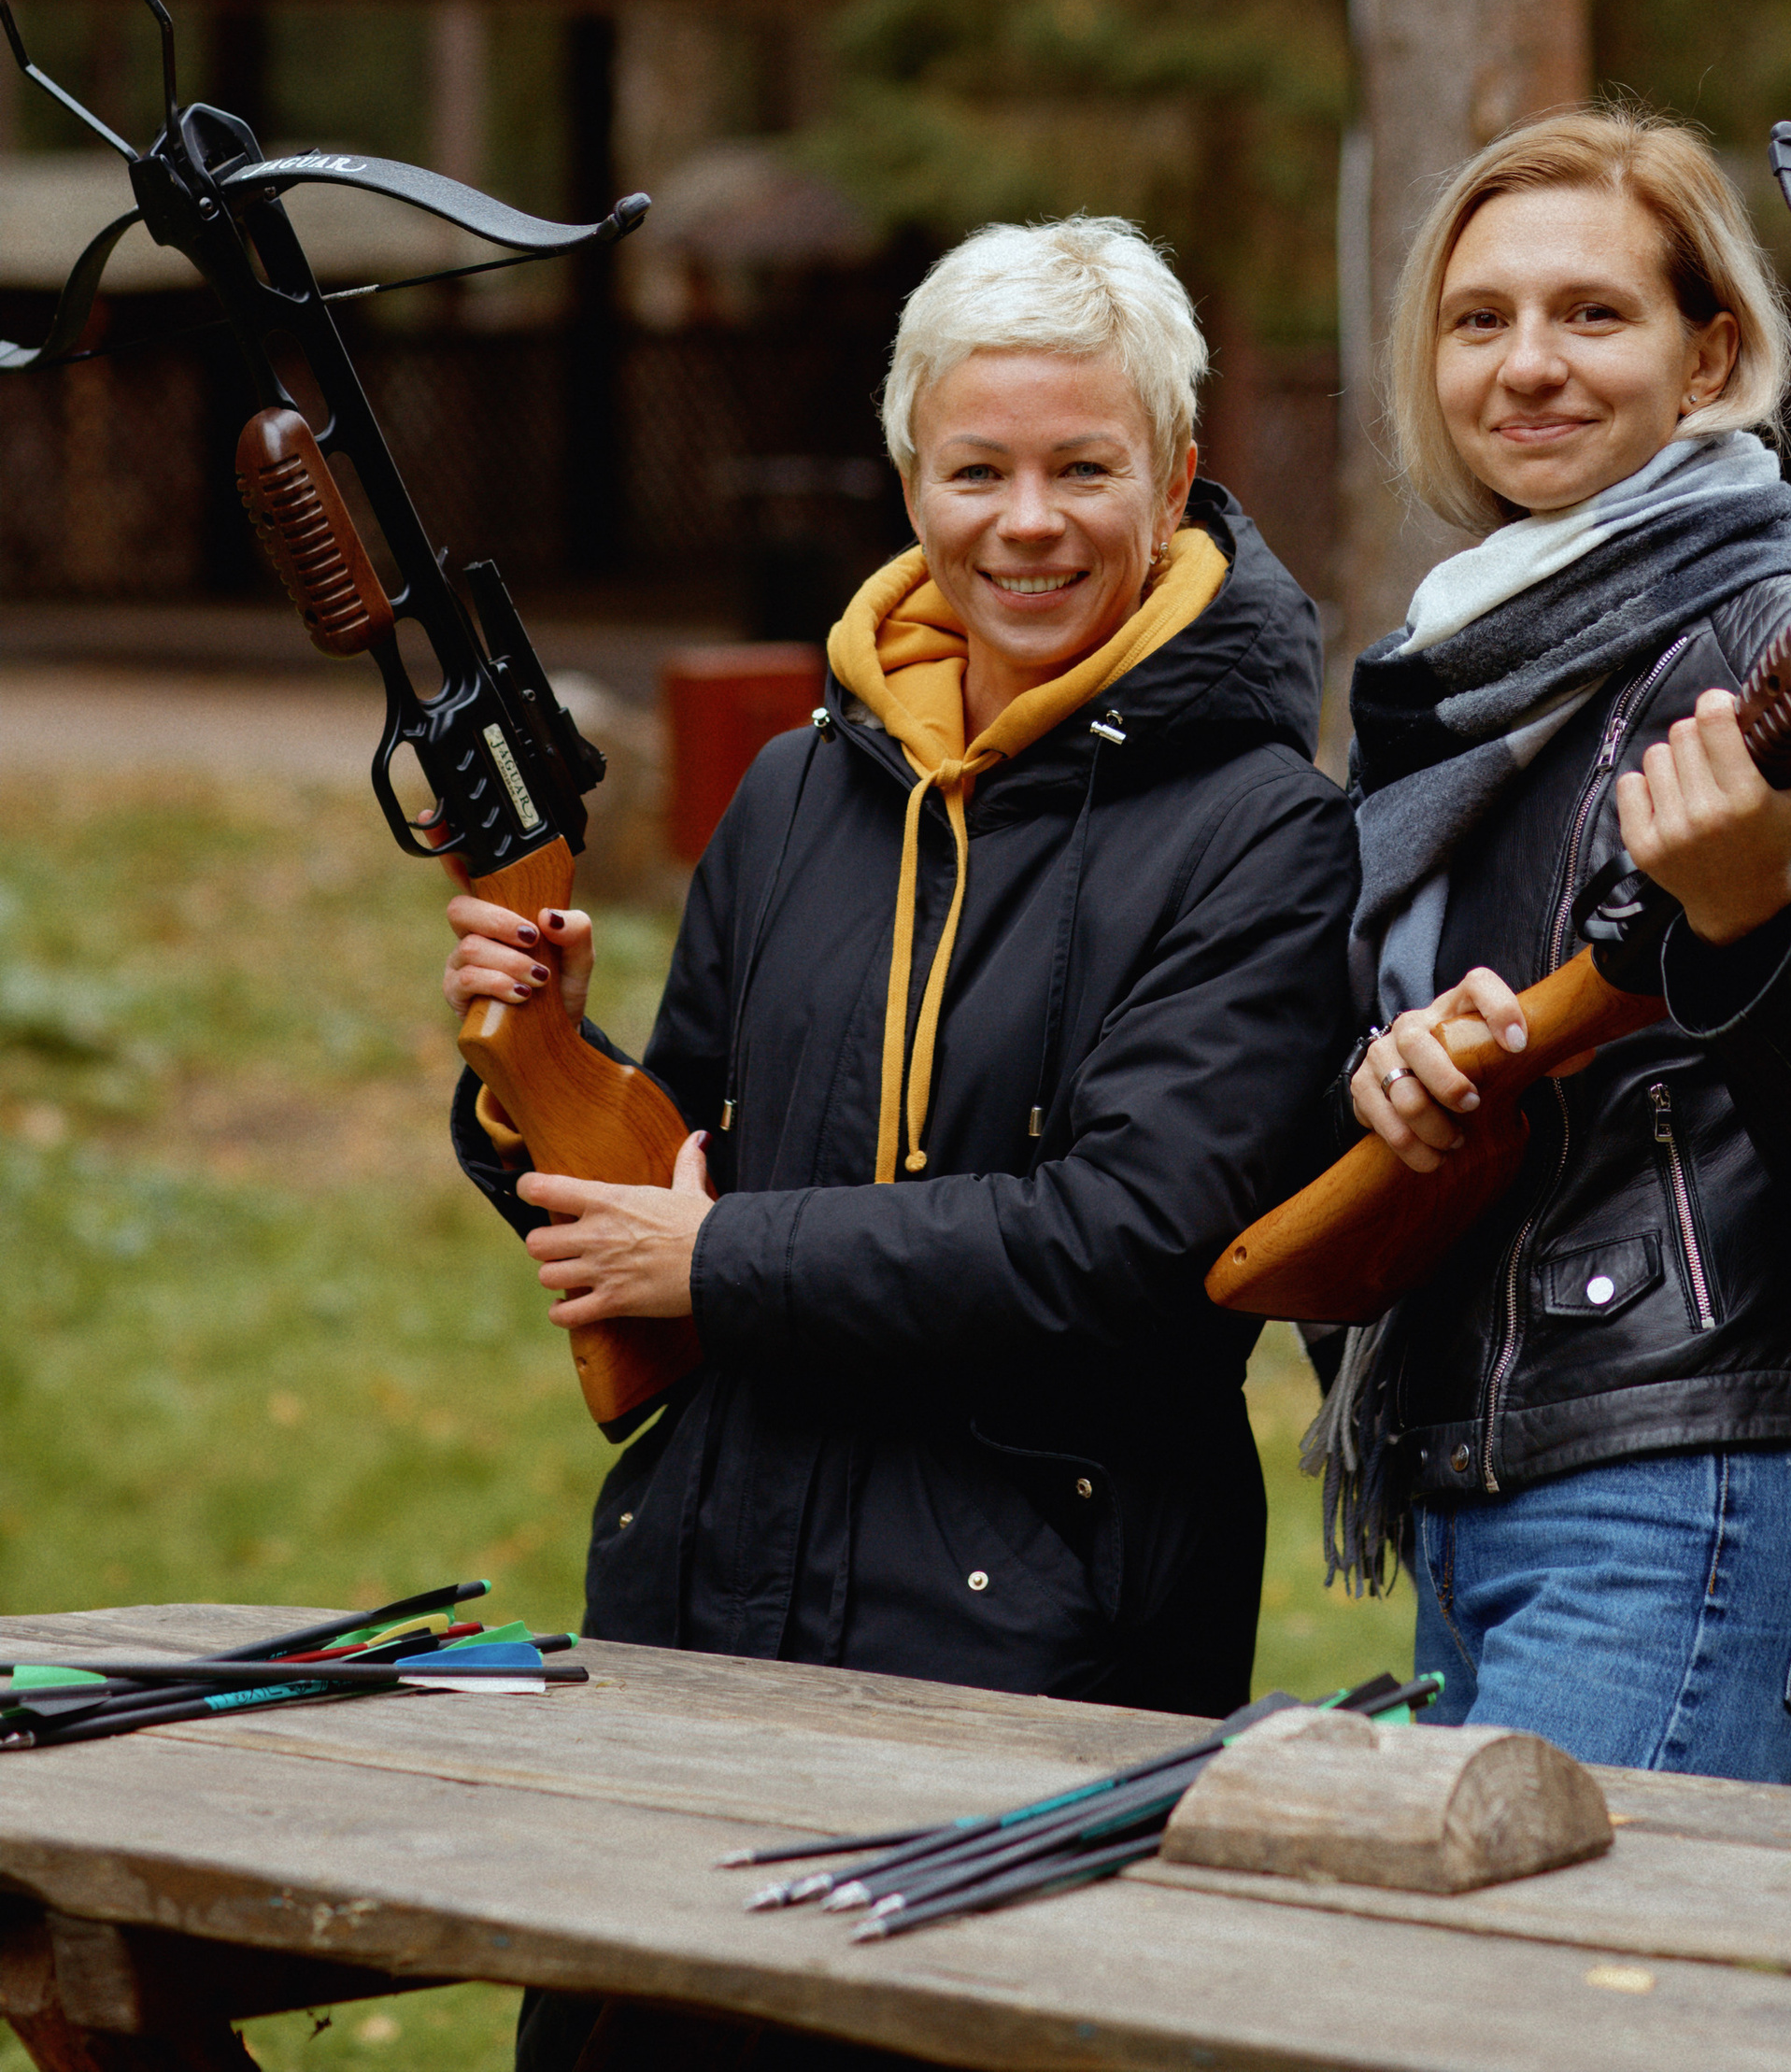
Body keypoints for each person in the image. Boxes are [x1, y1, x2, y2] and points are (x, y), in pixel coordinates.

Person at [443, 214, 1357, 1721]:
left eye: (1084, 468)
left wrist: (724, 1262)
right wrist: (532, 1064)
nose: (1028, 522)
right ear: (913, 483)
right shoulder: (795, 793)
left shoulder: (1267, 835)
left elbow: (1135, 1246)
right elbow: (660, 1181)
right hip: (701, 1592)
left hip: (1044, 1639)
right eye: (977, 471)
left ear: (1176, 477)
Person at [1325, 105, 1791, 1784]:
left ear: (1711, 358)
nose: (1526, 365)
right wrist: (1386, 1079)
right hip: (1467, 1503)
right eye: (1482, 321)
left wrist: (1749, 914)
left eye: (1592, 313)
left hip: (1683, 1508)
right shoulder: (1442, 674)